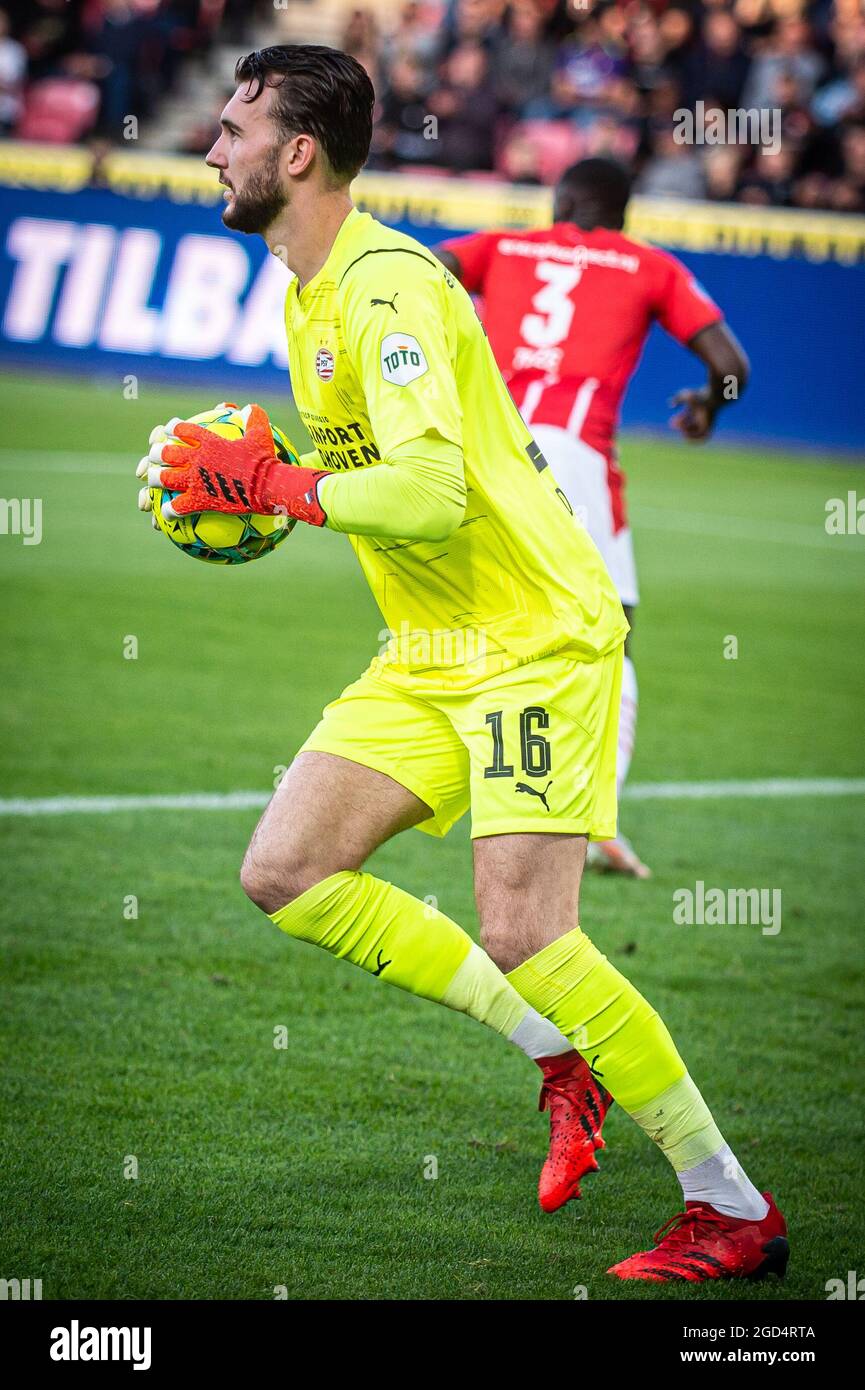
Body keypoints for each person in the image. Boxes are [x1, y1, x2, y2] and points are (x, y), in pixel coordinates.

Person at [137, 46, 785, 1282]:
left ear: (298, 152)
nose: (212, 149)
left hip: (534, 636)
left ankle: (730, 1207)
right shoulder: (307, 287)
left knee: (529, 929)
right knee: (286, 868)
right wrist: (284, 494)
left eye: (232, 130)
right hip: (433, 647)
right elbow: (392, 492)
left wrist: (279, 487)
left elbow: (430, 496)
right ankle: (560, 1056)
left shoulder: (384, 289)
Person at [435, 157, 750, 877]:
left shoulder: (498, 246)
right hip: (572, 455)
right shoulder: (649, 266)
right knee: (612, 636)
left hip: (489, 451)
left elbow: (414, 277)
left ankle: (478, 794)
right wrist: (709, 407)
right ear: (621, 209)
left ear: (564, 199)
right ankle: (587, 812)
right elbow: (732, 364)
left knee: (492, 622)